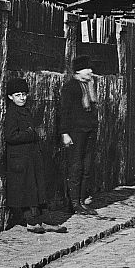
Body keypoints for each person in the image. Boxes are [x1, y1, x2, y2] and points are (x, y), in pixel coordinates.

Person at [5, 77, 66, 235]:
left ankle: (46, 220)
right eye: (18, 95)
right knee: (26, 192)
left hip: (31, 157)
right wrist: (30, 134)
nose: (22, 98)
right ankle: (32, 222)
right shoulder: (12, 113)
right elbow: (10, 136)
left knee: (38, 190)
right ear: (11, 97)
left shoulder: (26, 110)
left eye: (24, 94)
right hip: (20, 159)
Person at [59, 64, 100, 216]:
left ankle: (82, 201)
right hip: (75, 133)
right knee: (76, 167)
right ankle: (74, 203)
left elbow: (92, 110)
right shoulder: (70, 88)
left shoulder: (90, 86)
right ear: (78, 71)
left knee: (87, 167)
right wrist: (64, 133)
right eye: (87, 69)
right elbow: (64, 111)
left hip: (88, 132)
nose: (90, 71)